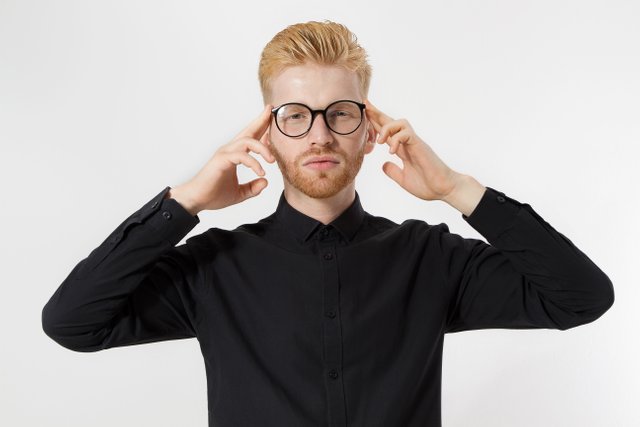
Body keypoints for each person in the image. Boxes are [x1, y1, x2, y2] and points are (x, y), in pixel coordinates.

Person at [42, 20, 614, 427]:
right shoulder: (213, 268)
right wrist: (184, 202)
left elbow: (581, 297)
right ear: (268, 134)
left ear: (368, 131)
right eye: (295, 116)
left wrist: (456, 189)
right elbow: (72, 323)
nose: (319, 135)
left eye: (340, 113)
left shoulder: (431, 259)